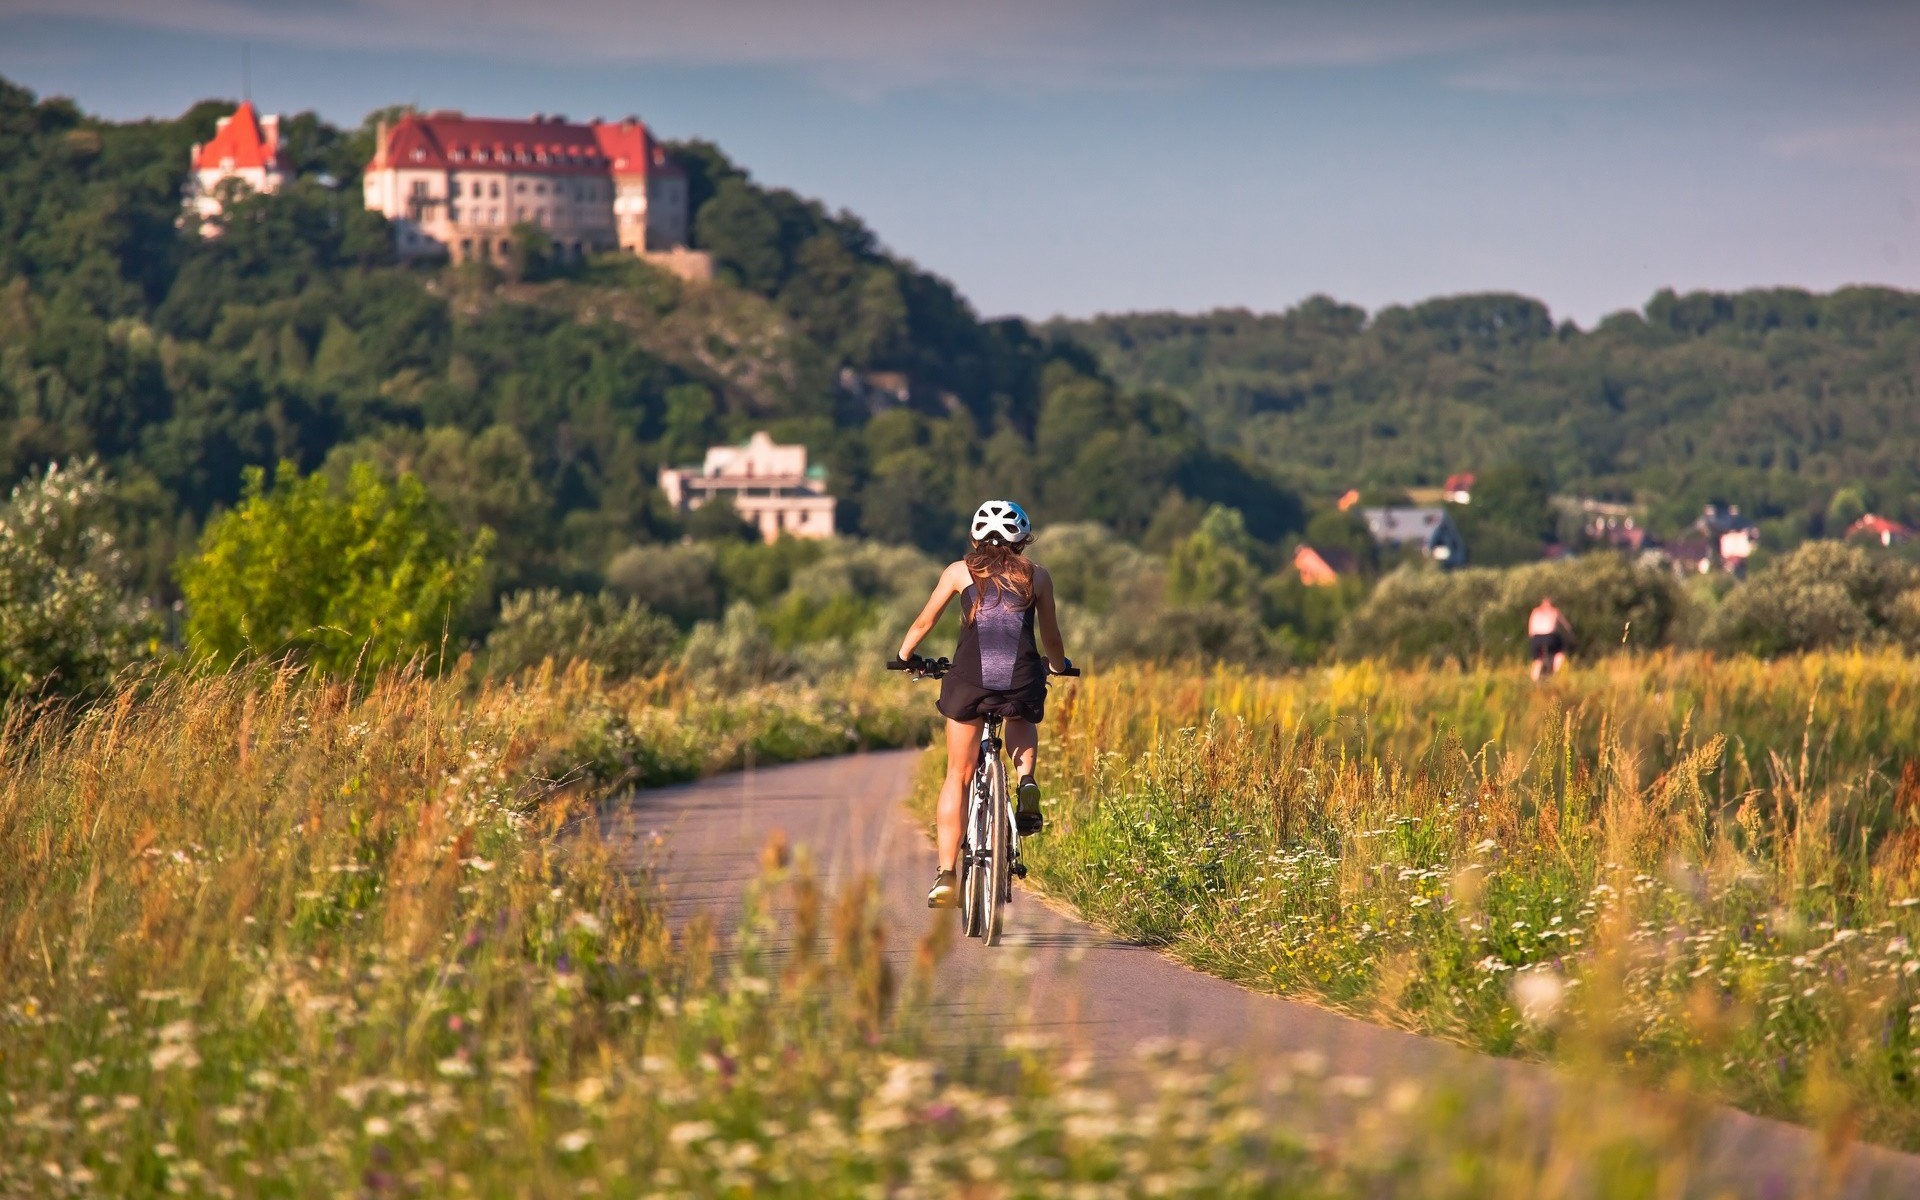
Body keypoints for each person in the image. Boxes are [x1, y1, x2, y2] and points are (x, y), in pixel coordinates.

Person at [896, 500, 1069, 909]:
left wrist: (905, 657)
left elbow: (924, 622)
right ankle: (1026, 781)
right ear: (1022, 539)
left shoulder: (960, 571)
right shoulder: (1038, 576)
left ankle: (947, 875)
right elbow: (1052, 638)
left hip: (970, 680)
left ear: (975, 536)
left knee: (957, 773)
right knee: (1023, 711)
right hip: (1021, 676)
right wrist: (1058, 667)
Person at [1528, 595, 1572, 680]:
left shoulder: (1535, 611)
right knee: (1560, 652)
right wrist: (1570, 637)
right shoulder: (1554, 611)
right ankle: (1556, 674)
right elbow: (1567, 627)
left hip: (1536, 638)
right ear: (1551, 604)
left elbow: (1530, 630)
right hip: (1550, 637)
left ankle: (1534, 680)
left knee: (1537, 660)